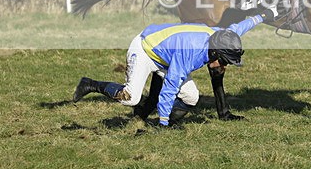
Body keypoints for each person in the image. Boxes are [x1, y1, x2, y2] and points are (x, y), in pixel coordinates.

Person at [73, 8, 278, 128]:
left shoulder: (224, 36)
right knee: (131, 98)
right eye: (224, 61)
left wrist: (266, 15)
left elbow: (242, 26)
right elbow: (170, 86)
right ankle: (90, 84)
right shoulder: (189, 53)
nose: (223, 66)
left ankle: (160, 122)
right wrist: (162, 123)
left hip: (166, 56)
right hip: (145, 49)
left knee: (191, 97)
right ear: (215, 53)